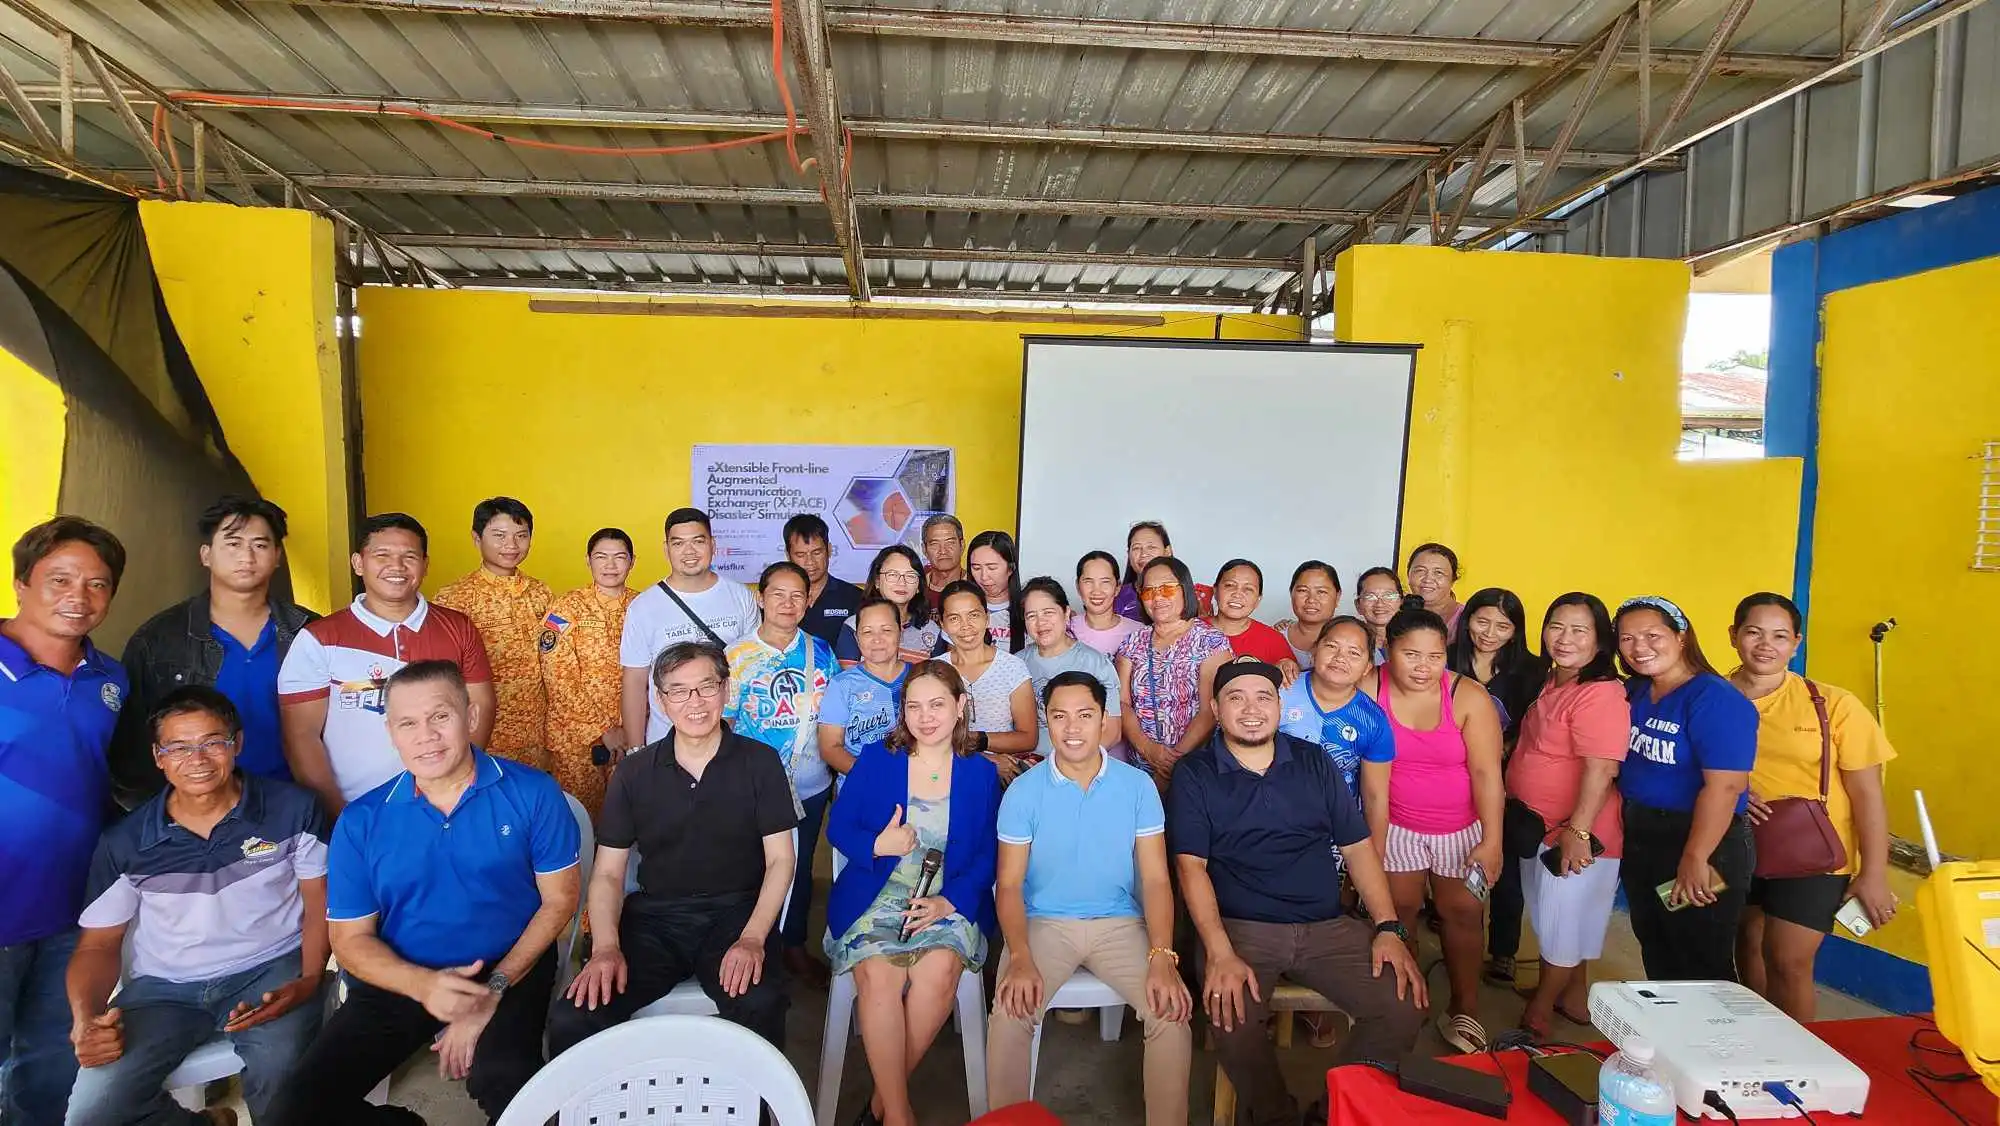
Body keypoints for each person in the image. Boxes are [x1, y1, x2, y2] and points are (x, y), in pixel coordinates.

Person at [265, 661, 580, 1126]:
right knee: (294, 1112)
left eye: (440, 716)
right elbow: (349, 941)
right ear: (391, 732)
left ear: (471, 716)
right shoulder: (363, 820)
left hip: (510, 967)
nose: (426, 736)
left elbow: (559, 901)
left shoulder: (533, 793)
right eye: (408, 723)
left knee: (512, 1087)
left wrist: (490, 992)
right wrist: (425, 987)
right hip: (402, 972)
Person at [1170, 661, 1426, 1126]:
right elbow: (1192, 868)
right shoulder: (1196, 772)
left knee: (1403, 1001)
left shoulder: (1313, 761)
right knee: (1231, 1013)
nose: (1251, 710)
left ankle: (1331, 1114)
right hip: (1242, 928)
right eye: (1236, 698)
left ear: (1279, 705)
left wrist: (1389, 927)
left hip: (1325, 925)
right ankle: (1275, 1116)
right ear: (1215, 709)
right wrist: (1220, 952)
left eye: (1263, 697)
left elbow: (1358, 847)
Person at [65, 687, 328, 1126]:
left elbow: (318, 901)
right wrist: (85, 1020)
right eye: (179, 747)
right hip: (164, 990)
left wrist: (311, 978)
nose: (198, 759)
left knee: (284, 1084)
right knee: (92, 1114)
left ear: (237, 743)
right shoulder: (125, 842)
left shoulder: (293, 809)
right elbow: (98, 945)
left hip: (270, 968)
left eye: (212, 742)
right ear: (158, 756)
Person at [553, 643, 796, 1052]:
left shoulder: (761, 762)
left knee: (761, 1002)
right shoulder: (634, 772)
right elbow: (608, 873)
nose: (695, 702)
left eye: (706, 687)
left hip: (736, 914)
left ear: (725, 689)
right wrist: (606, 948)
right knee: (575, 1015)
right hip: (655, 920)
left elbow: (781, 860)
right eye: (679, 691)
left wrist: (753, 938)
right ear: (661, 700)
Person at [987, 672, 1191, 1126]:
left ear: (1104, 720)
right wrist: (1019, 956)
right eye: (1060, 716)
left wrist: (1162, 954)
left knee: (1170, 1010)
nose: (1073, 728)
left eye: (1085, 715)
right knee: (1010, 1010)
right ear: (1047, 721)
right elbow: (1010, 884)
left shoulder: (1136, 786)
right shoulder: (1023, 791)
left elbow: (1156, 879)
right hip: (1044, 925)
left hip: (1120, 924)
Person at [824, 662, 1002, 1126]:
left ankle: (880, 1107)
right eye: (914, 706)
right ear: (902, 712)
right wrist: (876, 845)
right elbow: (839, 827)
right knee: (878, 977)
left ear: (960, 707)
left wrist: (949, 902)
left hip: (947, 900)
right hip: (875, 897)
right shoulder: (878, 760)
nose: (926, 717)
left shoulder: (980, 773)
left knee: (939, 973)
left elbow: (990, 852)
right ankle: (899, 1115)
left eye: (937, 704)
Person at [1, 516, 128, 1126]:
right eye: (60, 579)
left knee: (51, 1072)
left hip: (72, 912)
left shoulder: (111, 679)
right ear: (21, 583)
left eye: (97, 584)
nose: (79, 597)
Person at [1728, 593, 1896, 1022]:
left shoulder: (1833, 704)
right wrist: (1736, 790)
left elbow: (1868, 795)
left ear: (1796, 643)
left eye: (1779, 636)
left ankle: (1799, 1055)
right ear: (1734, 636)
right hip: (1734, 843)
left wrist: (1874, 873)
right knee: (1746, 944)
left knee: (1788, 961)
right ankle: (1756, 1039)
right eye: (1754, 633)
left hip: (1813, 854)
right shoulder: (1712, 698)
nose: (1766, 646)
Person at [277, 514, 494, 817]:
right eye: (382, 555)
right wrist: (338, 814)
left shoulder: (458, 628)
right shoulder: (318, 639)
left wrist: (458, 787)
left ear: (425, 565)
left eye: (409, 557)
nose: (397, 566)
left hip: (446, 806)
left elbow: (480, 706)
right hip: (355, 809)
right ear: (358, 563)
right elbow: (301, 735)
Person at [1367, 598, 1505, 1053]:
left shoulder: (1467, 695)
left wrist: (1492, 840)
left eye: (1435, 655)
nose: (1423, 667)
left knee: (1461, 912)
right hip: (1394, 826)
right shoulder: (1370, 686)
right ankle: (1406, 999)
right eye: (1411, 654)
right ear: (1388, 650)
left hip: (1460, 829)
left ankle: (1466, 1007)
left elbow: (1487, 773)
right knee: (1399, 912)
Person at [114, 496, 318, 800]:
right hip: (197, 808)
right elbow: (133, 745)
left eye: (260, 545)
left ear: (277, 556)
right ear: (206, 555)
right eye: (233, 544)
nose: (246, 556)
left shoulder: (311, 632)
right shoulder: (159, 640)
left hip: (295, 804)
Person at [1614, 595, 1757, 983]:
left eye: (1652, 635)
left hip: (1701, 841)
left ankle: (1713, 1026)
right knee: (1657, 943)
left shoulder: (1714, 698)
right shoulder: (1638, 691)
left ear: (1681, 637)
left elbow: (1725, 787)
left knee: (1700, 958)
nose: (1639, 647)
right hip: (1644, 838)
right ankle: (1666, 1024)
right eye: (1627, 639)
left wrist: (1695, 857)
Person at [1504, 594, 1626, 1038]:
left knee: (1561, 922)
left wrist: (1578, 830)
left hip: (1575, 833)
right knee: (1557, 917)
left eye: (1579, 630)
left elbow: (1602, 768)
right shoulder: (1553, 679)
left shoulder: (1600, 693)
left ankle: (1540, 1009)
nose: (1564, 638)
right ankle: (1572, 996)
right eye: (1556, 626)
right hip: (1538, 826)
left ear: (1600, 640)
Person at [724, 562, 836, 988]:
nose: (788, 604)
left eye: (797, 596)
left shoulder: (821, 652)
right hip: (753, 789)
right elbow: (724, 725)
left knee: (800, 867)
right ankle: (752, 948)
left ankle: (793, 945)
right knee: (752, 868)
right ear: (761, 597)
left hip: (810, 784)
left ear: (807, 603)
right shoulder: (735, 656)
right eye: (778, 594)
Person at [1444, 586, 1534, 986]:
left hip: (1503, 779)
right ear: (1467, 621)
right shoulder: (1445, 658)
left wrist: (1498, 748)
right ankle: (1458, 931)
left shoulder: (1531, 671)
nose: (1489, 632)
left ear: (1515, 631)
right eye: (1482, 621)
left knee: (1504, 866)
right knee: (1456, 863)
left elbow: (1534, 728)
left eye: (1502, 626)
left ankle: (1503, 950)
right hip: (1449, 778)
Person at [619, 508, 760, 746]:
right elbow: (634, 681)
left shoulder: (741, 596)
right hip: (666, 743)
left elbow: (754, 667)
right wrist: (635, 750)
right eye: (678, 543)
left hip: (732, 741)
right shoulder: (643, 606)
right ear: (666, 550)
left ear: (713, 545)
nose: (689, 551)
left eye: (698, 541)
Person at [435, 497, 553, 772]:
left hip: (537, 733)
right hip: (485, 734)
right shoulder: (454, 599)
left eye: (521, 536)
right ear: (477, 538)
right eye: (499, 536)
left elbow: (554, 656)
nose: (511, 545)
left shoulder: (541, 593)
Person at [539, 528, 640, 818]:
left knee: (628, 817)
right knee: (579, 819)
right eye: (601, 557)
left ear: (632, 561)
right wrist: (603, 729)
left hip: (632, 733)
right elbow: (558, 676)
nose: (610, 565)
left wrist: (628, 728)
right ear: (588, 560)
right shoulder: (565, 608)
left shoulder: (644, 606)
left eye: (619, 557)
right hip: (575, 739)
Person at [1115, 558, 1231, 784]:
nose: (1157, 597)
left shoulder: (1211, 642)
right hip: (1139, 768)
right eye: (1149, 591)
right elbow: (1122, 703)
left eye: (1167, 588)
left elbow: (1210, 710)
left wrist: (1171, 763)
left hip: (1194, 768)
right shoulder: (1132, 642)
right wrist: (1148, 749)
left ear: (1185, 589)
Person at [1277, 617, 1394, 804]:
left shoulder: (1373, 720)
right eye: (1331, 646)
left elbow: (1375, 797)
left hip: (1337, 819)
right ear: (1314, 651)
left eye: (1354, 652)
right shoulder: (1278, 693)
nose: (1340, 658)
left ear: (1367, 667)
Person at [937, 581, 1037, 783]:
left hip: (1003, 776)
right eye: (954, 618)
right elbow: (924, 736)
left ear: (987, 617)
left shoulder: (1012, 667)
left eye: (973, 615)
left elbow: (1028, 738)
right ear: (942, 624)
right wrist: (984, 760)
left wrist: (978, 739)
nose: (966, 626)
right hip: (947, 773)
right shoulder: (934, 671)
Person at [1018, 578, 1122, 761]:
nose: (1041, 623)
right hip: (1028, 764)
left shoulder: (1095, 663)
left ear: (1066, 613)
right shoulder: (1016, 664)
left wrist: (1067, 764)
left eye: (1048, 613)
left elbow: (1112, 732)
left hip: (1079, 764)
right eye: (1031, 616)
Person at [819, 598, 911, 778]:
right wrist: (871, 777)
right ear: (857, 638)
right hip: (861, 784)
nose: (877, 639)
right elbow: (830, 748)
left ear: (900, 632)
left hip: (915, 784)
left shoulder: (920, 678)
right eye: (867, 632)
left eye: (886, 630)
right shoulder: (842, 684)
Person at [835, 545, 941, 666]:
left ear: (918, 586)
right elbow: (848, 675)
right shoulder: (854, 625)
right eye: (892, 575)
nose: (901, 582)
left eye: (910, 576)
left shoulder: (931, 630)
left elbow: (938, 675)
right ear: (877, 581)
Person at [786, 513, 863, 647]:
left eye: (817, 553)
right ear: (788, 555)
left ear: (829, 550)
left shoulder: (855, 598)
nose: (810, 562)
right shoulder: (777, 600)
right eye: (800, 555)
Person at [1113, 523, 1212, 621]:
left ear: (1167, 551)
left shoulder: (1198, 596)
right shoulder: (1114, 597)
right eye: (1136, 548)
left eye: (1151, 547)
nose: (1143, 554)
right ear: (1128, 554)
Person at [1207, 560, 1294, 672]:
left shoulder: (1273, 640)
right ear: (1215, 591)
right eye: (1230, 585)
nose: (1237, 594)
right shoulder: (1190, 630)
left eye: (1248, 589)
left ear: (1258, 600)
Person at [963, 530, 1026, 654]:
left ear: (1011, 568)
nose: (984, 577)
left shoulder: (1028, 608)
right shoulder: (961, 606)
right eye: (976, 568)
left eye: (992, 568)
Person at [1069, 551, 1140, 658]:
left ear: (1117, 587)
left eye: (1105, 582)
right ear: (1078, 586)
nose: (1096, 591)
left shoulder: (1138, 633)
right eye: (1088, 581)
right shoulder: (1065, 629)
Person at [1275, 561, 1343, 673]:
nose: (1311, 600)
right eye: (1303, 590)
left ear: (1338, 596)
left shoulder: (1354, 639)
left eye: (1321, 592)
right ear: (1291, 593)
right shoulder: (1273, 638)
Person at [1405, 544, 1463, 633]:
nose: (1428, 579)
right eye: (1420, 570)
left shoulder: (1466, 618)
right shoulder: (1392, 611)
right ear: (1408, 574)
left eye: (1438, 572)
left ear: (1453, 579)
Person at [1353, 567, 1403, 664]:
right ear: (1358, 605)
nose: (1380, 604)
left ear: (1401, 601)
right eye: (1370, 596)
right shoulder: (1350, 643)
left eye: (1388, 595)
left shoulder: (1416, 642)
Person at [920, 515, 966, 614]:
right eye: (934, 544)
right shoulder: (914, 585)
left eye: (950, 543)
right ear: (924, 549)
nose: (943, 551)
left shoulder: (977, 584)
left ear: (962, 546)